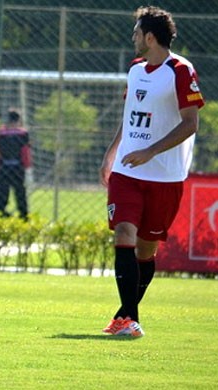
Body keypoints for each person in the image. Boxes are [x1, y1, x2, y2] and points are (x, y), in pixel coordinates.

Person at [99, 6, 204, 337]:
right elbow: (130, 116)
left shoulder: (180, 70)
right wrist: (112, 152)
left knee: (146, 250)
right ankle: (130, 318)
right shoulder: (134, 69)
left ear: (149, 36)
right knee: (124, 234)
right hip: (127, 171)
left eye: (135, 33)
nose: (132, 39)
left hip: (165, 176)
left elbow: (191, 124)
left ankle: (124, 315)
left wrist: (151, 151)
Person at [0, 109, 31, 219]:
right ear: (18, 120)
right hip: (18, 166)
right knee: (20, 190)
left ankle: (1, 211)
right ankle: (23, 213)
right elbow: (25, 151)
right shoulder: (23, 134)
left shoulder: (0, 134)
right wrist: (27, 165)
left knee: (2, 190)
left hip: (4, 166)